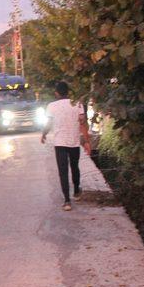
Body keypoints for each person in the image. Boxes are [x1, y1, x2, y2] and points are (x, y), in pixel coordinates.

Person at [41, 81, 91, 211]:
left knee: (63, 172)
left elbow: (49, 123)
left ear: (56, 93)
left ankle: (67, 201)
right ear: (68, 92)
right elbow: (82, 123)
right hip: (74, 142)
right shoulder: (77, 104)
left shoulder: (51, 106)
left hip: (59, 143)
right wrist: (86, 141)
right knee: (75, 167)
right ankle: (76, 192)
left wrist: (44, 134)